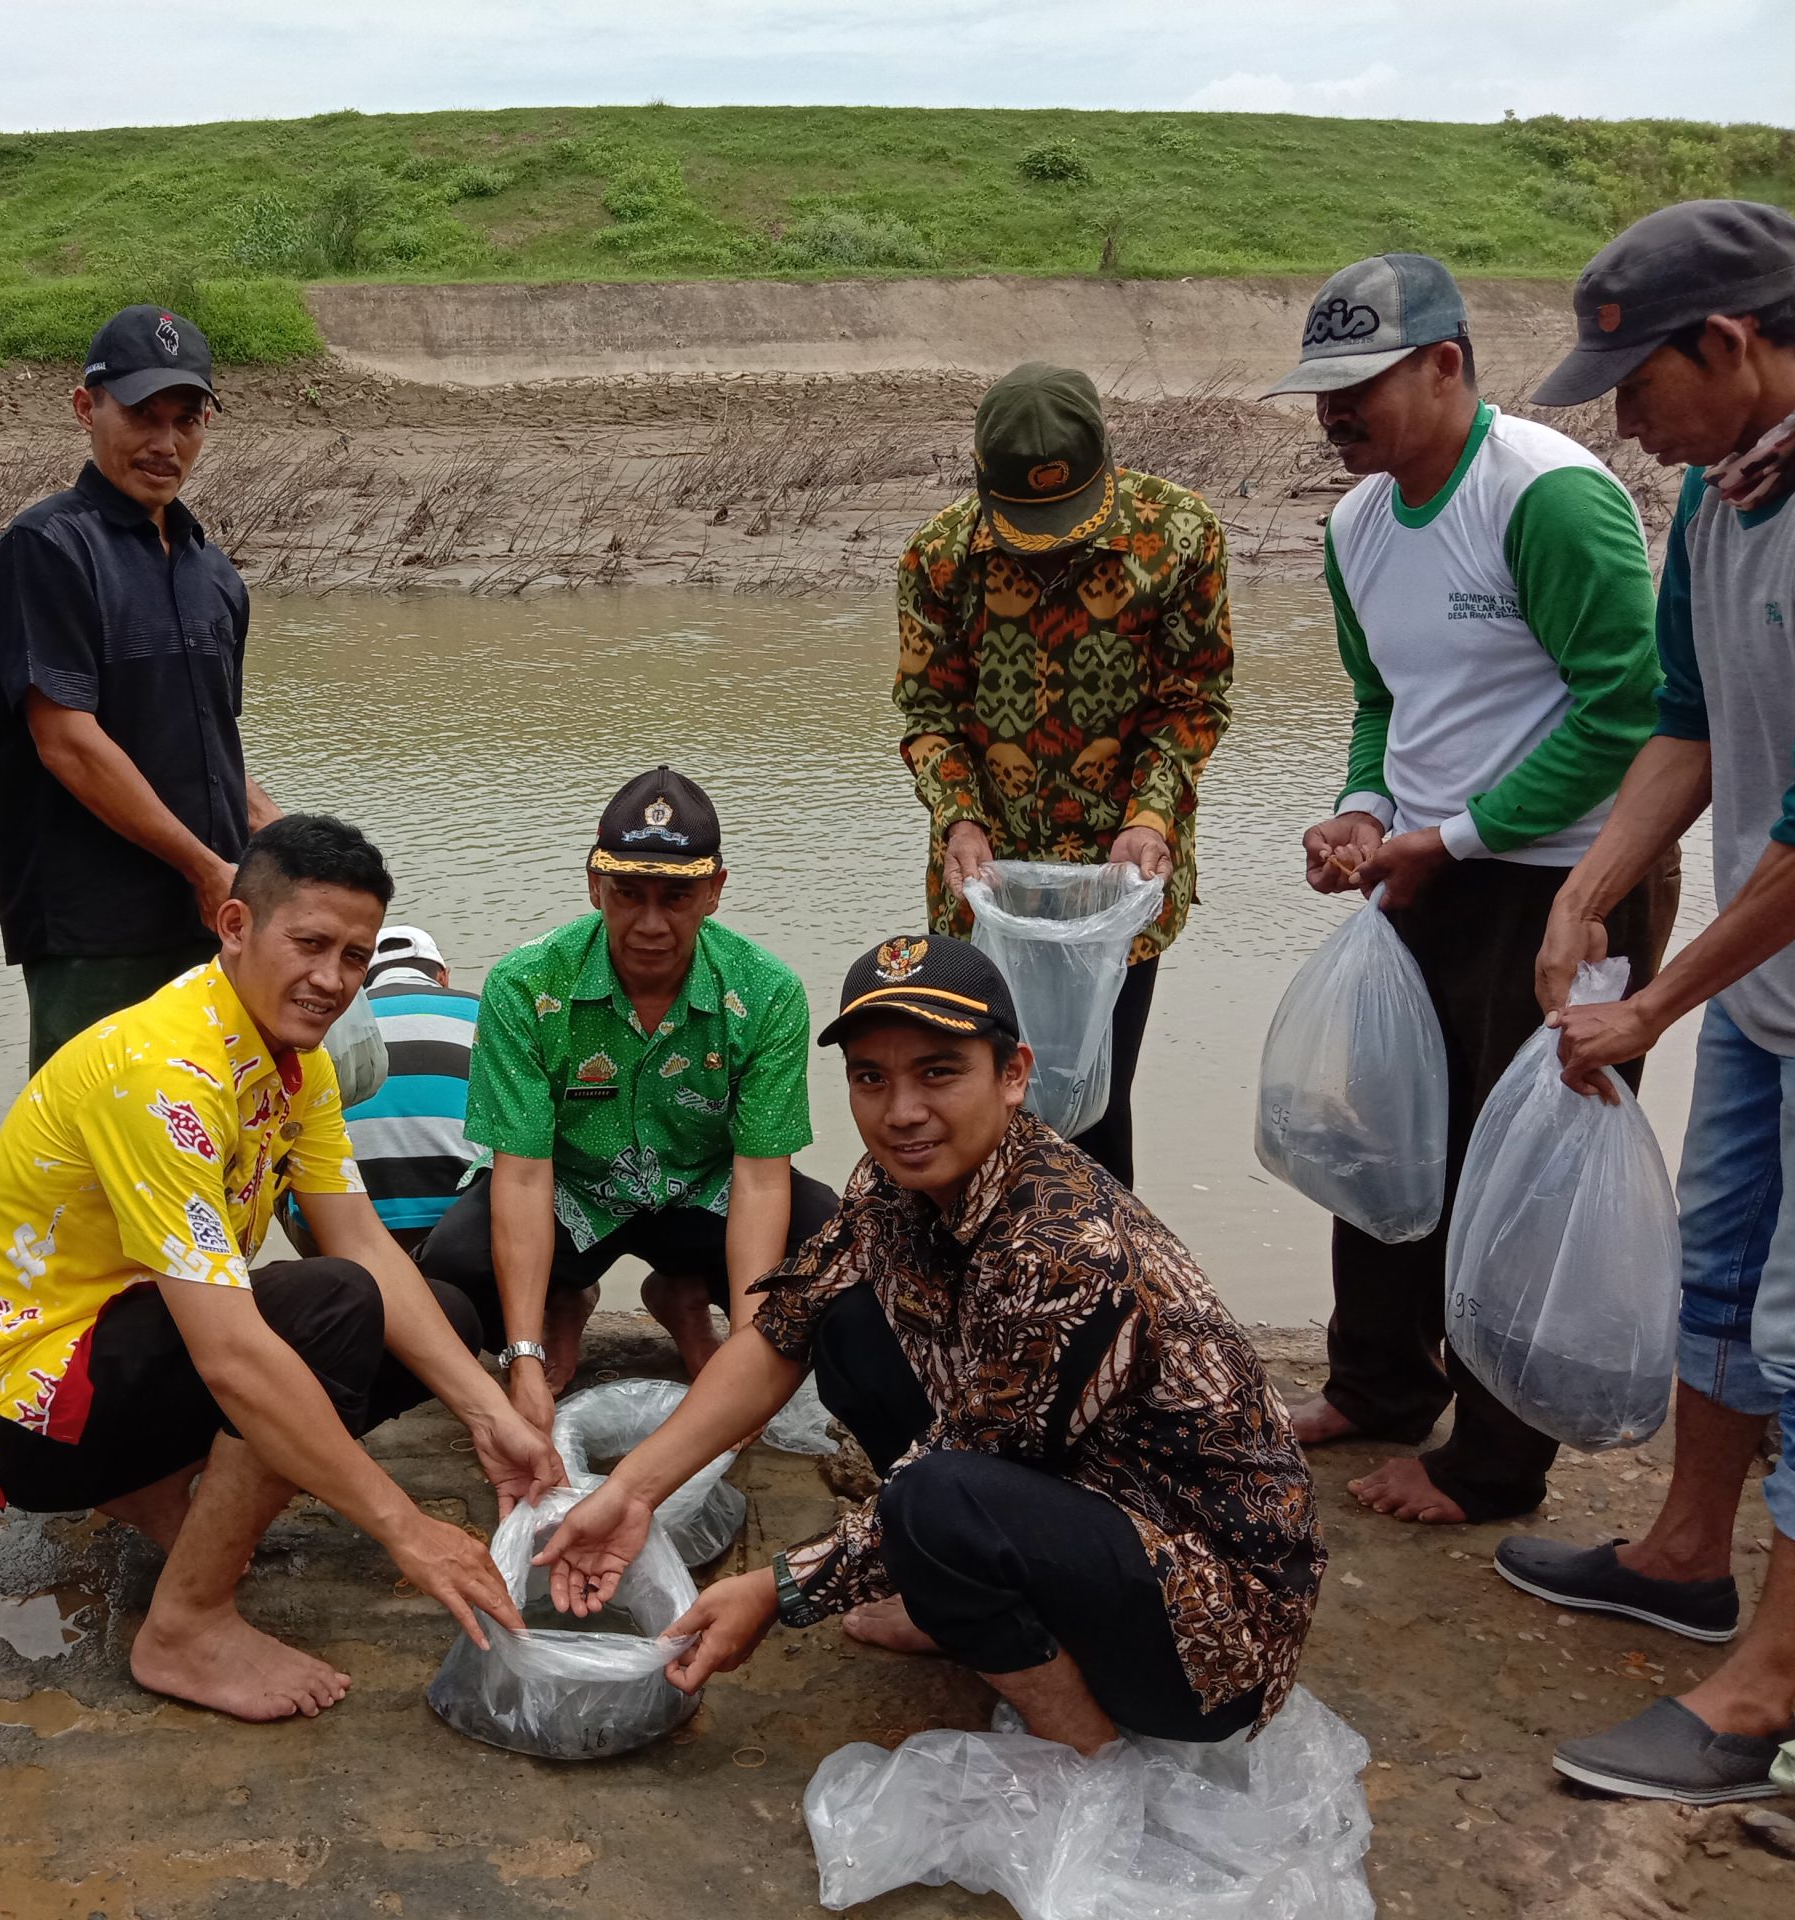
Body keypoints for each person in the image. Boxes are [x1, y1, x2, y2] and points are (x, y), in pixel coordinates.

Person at [535, 935, 1323, 1752]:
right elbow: (780, 1331)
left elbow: (958, 1482)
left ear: (1012, 1073)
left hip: (1213, 1630)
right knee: (843, 1325)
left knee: (939, 1505)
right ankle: (956, 1604)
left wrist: (773, 1591)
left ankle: (1083, 1762)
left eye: (937, 1072)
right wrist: (632, 1491)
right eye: (871, 1078)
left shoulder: (1063, 1252)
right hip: (1085, 1503)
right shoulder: (894, 1182)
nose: (901, 1111)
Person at [0, 816, 561, 1721]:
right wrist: (407, 1531)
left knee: (444, 1316)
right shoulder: (163, 1071)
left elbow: (364, 1241)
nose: (331, 980)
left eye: (355, 956)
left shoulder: (294, 1065)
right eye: (308, 943)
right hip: (31, 1403)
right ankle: (184, 1624)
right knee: (330, 1310)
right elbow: (233, 1352)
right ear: (235, 926)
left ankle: (154, 1493)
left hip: (123, 1353)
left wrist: (491, 1413)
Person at [1267, 252, 1665, 1527]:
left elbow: (1628, 708)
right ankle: (1377, 1385)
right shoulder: (1353, 525)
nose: (1334, 415)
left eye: (1359, 386)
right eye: (1320, 389)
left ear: (1445, 366)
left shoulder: (1546, 496)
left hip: (1563, 886)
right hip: (1421, 874)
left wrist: (1460, 833)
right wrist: (1365, 812)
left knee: (1522, 1170)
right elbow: (1386, 702)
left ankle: (1493, 1464)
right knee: (1381, 1135)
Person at [1491, 200, 1795, 1805]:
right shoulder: (1725, 500)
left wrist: (1659, 998)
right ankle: (1687, 1553)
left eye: (1635, 383)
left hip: (1760, 958)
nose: (1623, 423)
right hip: (1769, 991)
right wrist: (1587, 886)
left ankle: (1769, 1695)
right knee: (1727, 1270)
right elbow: (1680, 721)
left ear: (1731, 345)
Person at [896, 361, 1232, 1185]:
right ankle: (977, 1294)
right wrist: (959, 818)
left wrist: (1150, 815)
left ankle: (1100, 1297)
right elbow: (929, 713)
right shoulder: (938, 559)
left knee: (1095, 1107)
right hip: (986, 886)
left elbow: (1194, 700)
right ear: (981, 479)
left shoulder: (1180, 537)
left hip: (1122, 882)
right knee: (975, 1100)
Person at [419, 767, 835, 1426]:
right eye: (626, 894)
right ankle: (565, 1298)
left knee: (823, 1242)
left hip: (704, 1188)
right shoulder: (525, 985)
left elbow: (759, 1179)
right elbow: (523, 1176)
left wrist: (748, 1362)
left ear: (714, 892)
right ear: (594, 885)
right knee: (453, 1263)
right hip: (571, 1188)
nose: (649, 924)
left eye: (675, 898)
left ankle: (683, 1294)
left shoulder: (766, 993)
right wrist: (522, 1358)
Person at [0, 304, 280, 1072]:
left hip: (213, 918)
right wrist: (205, 868)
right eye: (142, 415)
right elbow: (67, 743)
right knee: (91, 1161)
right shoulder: (46, 550)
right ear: (86, 407)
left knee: (221, 1148)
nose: (165, 443)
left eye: (187, 418)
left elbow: (213, 747)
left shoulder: (213, 572)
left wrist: (280, 846)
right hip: (96, 933)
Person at [281, 925, 482, 1262]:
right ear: (443, 976)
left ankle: (330, 1272)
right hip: (463, 1216)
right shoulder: (484, 1010)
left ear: (360, 982)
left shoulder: (331, 1020)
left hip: (343, 1219)